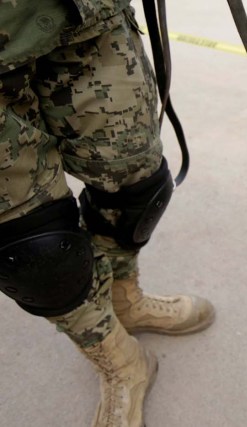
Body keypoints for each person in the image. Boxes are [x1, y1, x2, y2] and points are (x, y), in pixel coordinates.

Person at [0, 1, 214, 425]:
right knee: (33, 254)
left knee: (134, 188)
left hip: (83, 15)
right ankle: (120, 361)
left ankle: (125, 300)